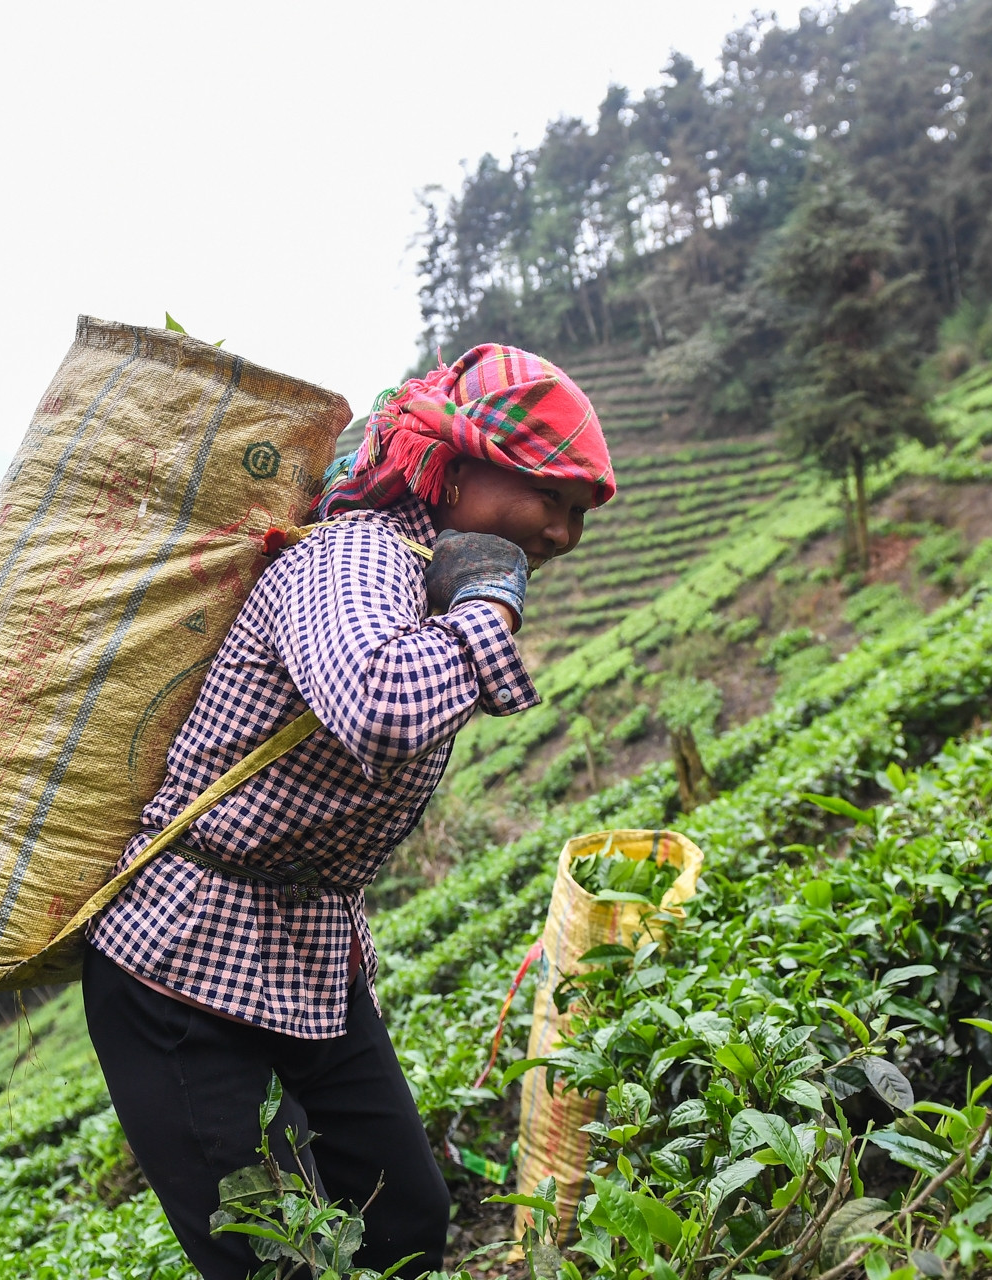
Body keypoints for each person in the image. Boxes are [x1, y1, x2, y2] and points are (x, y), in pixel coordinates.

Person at [82, 343, 615, 1279]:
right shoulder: (353, 556)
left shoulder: (417, 569)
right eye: (552, 500)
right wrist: (489, 604)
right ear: (456, 465)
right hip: (180, 962)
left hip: (305, 942)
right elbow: (382, 704)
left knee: (403, 1214)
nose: (563, 535)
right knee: (277, 1259)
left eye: (578, 514)